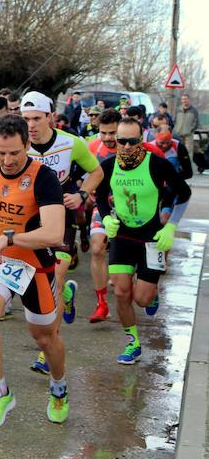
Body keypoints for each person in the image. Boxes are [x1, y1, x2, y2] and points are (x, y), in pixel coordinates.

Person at [0, 114, 69, 428]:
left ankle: (59, 388)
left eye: (14, 153)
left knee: (45, 339)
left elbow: (54, 233)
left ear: (27, 145)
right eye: (0, 152)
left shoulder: (43, 177)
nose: (6, 160)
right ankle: (0, 393)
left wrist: (8, 238)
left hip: (35, 266)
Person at [96, 117, 190, 365]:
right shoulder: (107, 166)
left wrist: (170, 226)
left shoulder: (157, 165)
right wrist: (106, 219)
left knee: (141, 299)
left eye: (133, 141)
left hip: (151, 239)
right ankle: (133, 343)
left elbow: (184, 194)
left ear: (142, 139)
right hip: (123, 238)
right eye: (121, 141)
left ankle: (152, 292)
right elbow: (100, 196)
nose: (126, 146)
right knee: (121, 292)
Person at [21, 90, 102, 376]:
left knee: (54, 275)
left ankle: (47, 350)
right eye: (26, 118)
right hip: (29, 219)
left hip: (61, 216)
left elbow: (97, 172)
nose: (30, 125)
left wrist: (81, 194)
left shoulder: (72, 143)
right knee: (37, 282)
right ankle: (65, 293)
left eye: (36, 118)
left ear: (50, 118)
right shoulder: (19, 144)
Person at [173, 93, 200, 159]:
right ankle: (179, 166)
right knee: (178, 150)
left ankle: (188, 167)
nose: (184, 100)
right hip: (178, 134)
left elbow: (197, 122)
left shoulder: (194, 110)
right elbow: (174, 120)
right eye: (183, 99)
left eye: (186, 99)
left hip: (189, 135)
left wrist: (191, 130)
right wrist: (175, 130)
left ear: (189, 100)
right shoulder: (178, 109)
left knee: (188, 152)